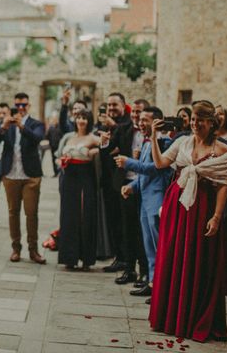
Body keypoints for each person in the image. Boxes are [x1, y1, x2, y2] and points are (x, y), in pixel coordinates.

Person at [148, 100, 227, 342]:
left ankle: (194, 317)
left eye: (200, 120)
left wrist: (216, 217)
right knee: (174, 257)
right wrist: (153, 137)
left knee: (199, 261)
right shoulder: (182, 142)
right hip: (178, 207)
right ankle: (172, 317)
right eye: (193, 119)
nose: (195, 124)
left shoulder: (223, 151)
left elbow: (223, 187)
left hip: (203, 210)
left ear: (211, 122)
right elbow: (160, 163)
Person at [115, 106, 173, 298]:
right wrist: (132, 186)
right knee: (148, 245)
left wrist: (128, 163)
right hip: (144, 199)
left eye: (145, 120)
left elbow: (155, 168)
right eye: (139, 119)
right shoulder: (148, 143)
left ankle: (162, 287)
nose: (140, 123)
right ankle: (151, 281)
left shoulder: (164, 142)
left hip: (156, 199)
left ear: (157, 122)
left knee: (158, 245)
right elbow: (143, 175)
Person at [0, 92, 46, 264]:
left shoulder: (36, 123)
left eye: (23, 105)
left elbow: (37, 138)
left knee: (31, 214)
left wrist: (22, 126)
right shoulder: (6, 124)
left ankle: (33, 250)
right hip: (10, 174)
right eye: (17, 105)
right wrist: (4, 127)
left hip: (31, 176)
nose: (20, 108)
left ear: (28, 105)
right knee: (13, 213)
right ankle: (16, 249)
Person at [56, 109, 100, 270]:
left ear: (89, 121)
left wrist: (94, 150)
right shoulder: (70, 137)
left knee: (85, 214)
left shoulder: (93, 137)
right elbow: (59, 154)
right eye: (79, 118)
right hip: (68, 177)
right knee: (68, 215)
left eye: (85, 118)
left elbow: (107, 146)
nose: (81, 121)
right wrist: (61, 161)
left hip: (85, 176)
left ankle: (86, 258)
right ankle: (69, 257)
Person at [98, 92, 137, 276]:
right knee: (113, 220)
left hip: (126, 180)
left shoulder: (129, 124)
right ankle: (118, 256)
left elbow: (126, 146)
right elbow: (106, 152)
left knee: (125, 224)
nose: (111, 108)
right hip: (109, 179)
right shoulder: (105, 125)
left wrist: (114, 128)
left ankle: (127, 260)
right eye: (109, 105)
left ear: (123, 106)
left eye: (115, 105)